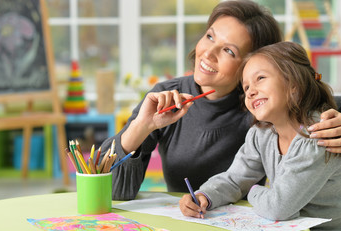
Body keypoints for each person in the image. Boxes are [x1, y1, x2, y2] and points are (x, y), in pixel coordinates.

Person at [100, 0, 341, 201]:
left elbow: (320, 101)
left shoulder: (264, 105)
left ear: (255, 64)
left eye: (229, 51)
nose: (208, 53)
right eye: (209, 37)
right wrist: (142, 126)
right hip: (187, 219)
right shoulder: (165, 96)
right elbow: (110, 191)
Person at [179, 41, 341, 231]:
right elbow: (235, 179)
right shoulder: (261, 133)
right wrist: (204, 196)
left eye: (260, 79)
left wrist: (254, 191)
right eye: (246, 87)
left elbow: (278, 207)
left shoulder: (317, 135)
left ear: (293, 84)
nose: (250, 91)